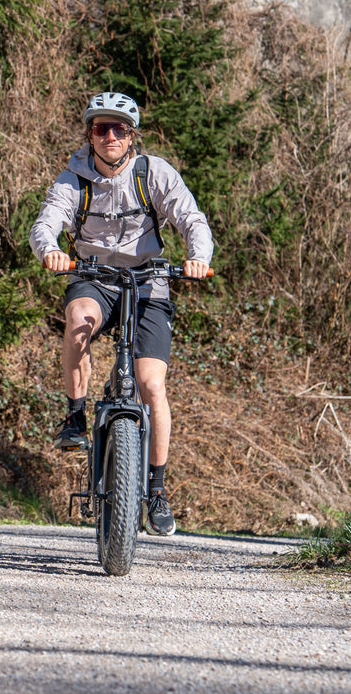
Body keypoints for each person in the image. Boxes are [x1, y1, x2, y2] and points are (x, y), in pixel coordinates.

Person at [29, 92, 213, 537]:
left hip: (150, 283)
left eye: (119, 130)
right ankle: (75, 414)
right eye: (100, 129)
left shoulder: (155, 174)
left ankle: (157, 491)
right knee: (78, 323)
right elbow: (46, 222)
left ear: (132, 137)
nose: (109, 137)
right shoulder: (74, 178)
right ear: (90, 134)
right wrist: (50, 250)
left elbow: (192, 219)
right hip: (94, 277)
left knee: (151, 384)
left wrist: (198, 256)